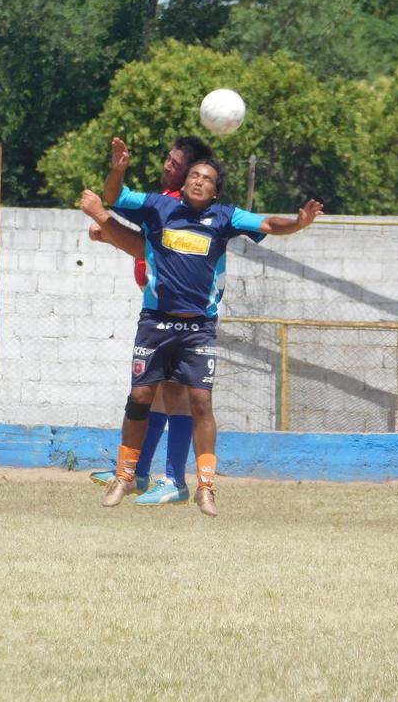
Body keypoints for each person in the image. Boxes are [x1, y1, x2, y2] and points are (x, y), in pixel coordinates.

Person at [80, 139, 324, 516]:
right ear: (185, 182)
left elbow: (267, 223)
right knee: (141, 397)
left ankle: (205, 486)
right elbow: (115, 197)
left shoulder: (225, 217)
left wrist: (298, 223)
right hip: (155, 322)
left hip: (198, 328)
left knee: (200, 401)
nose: (198, 181)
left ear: (215, 191)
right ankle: (125, 475)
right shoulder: (159, 207)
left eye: (206, 178)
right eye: (193, 175)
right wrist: (117, 169)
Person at [88, 135, 214, 506]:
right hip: (160, 309)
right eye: (168, 159)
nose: (167, 165)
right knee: (155, 392)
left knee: (173, 392)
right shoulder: (167, 201)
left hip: (182, 315)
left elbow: (141, 246)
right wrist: (109, 233)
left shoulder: (181, 207)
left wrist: (104, 221)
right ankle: (139, 471)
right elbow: (145, 244)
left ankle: (173, 478)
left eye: (176, 162)